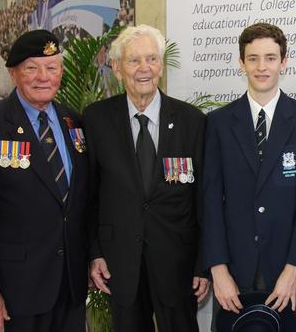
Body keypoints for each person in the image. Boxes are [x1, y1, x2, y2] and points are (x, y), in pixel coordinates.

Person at [0, 30, 89, 332]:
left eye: (52, 67)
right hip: (16, 292)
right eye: (31, 67)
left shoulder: (74, 123)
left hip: (71, 286)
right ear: (13, 73)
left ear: (60, 73)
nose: (43, 76)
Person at [202, 22, 296, 332]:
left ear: (284, 62)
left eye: (270, 58)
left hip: (287, 270)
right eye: (253, 58)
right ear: (241, 62)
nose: (262, 67)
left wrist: (294, 268)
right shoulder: (218, 123)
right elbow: (209, 200)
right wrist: (218, 269)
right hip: (234, 269)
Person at [84, 24, 209, 332]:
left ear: (161, 66)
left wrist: (203, 264)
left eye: (152, 59)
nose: (144, 69)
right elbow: (88, 196)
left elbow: (204, 200)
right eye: (134, 60)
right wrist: (95, 253)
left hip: (178, 265)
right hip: (119, 264)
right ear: (116, 67)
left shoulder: (191, 121)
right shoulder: (96, 119)